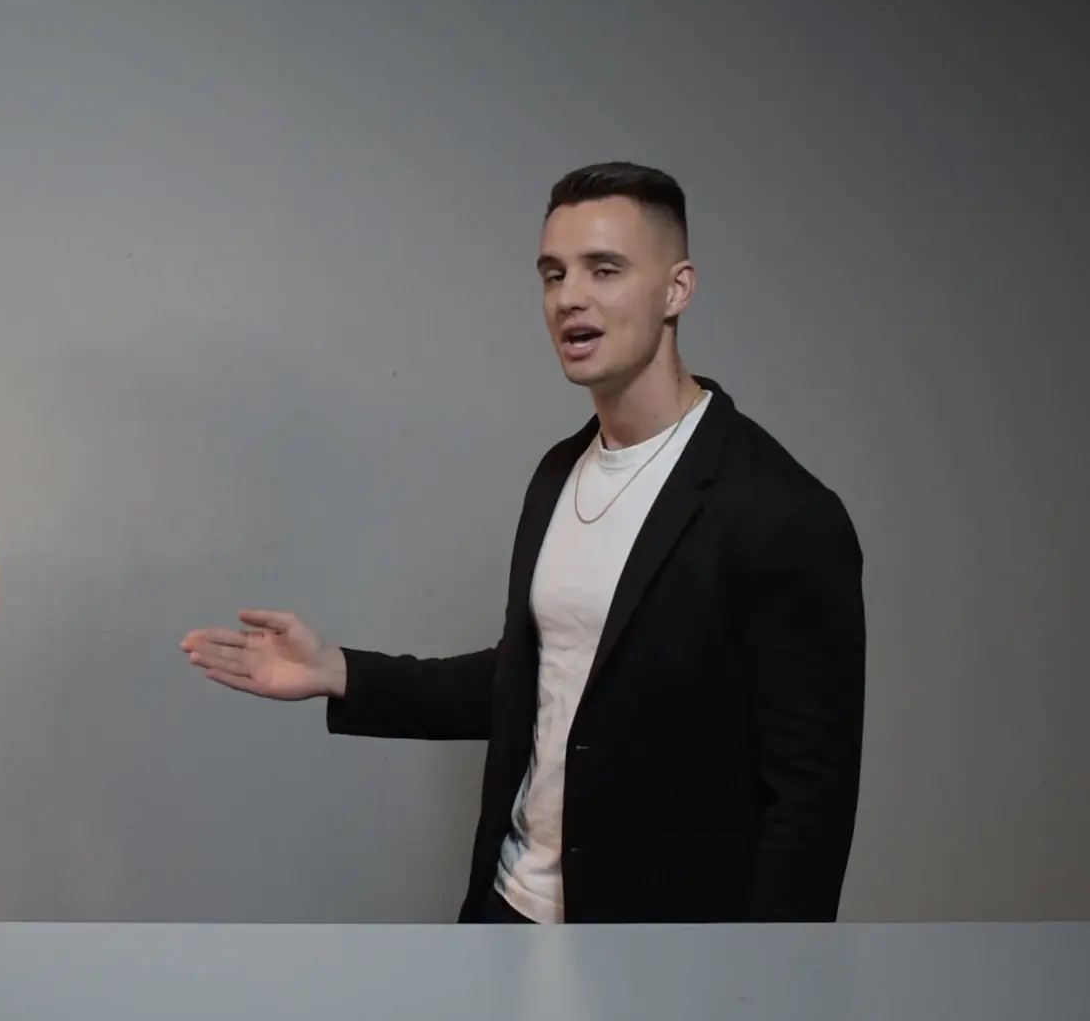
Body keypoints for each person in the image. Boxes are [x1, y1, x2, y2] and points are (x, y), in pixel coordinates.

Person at [182, 162, 864, 924]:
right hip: (508, 908)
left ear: (677, 289)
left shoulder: (779, 510)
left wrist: (769, 975)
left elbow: (810, 800)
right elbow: (534, 681)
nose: (570, 296)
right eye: (553, 274)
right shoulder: (558, 473)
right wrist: (337, 670)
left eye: (605, 269)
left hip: (659, 947)